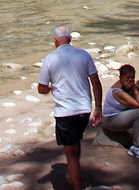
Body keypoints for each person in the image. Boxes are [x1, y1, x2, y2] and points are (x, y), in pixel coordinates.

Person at [38, 26, 103, 190]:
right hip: (83, 110)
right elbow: (96, 82)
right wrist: (98, 108)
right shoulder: (83, 55)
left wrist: (50, 89)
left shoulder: (50, 59)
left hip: (65, 112)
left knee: (71, 155)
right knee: (75, 144)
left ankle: (77, 186)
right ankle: (73, 175)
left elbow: (41, 88)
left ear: (54, 40)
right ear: (71, 38)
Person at [101, 64, 139, 159]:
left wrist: (136, 88)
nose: (130, 80)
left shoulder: (128, 87)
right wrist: (134, 89)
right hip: (111, 120)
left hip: (122, 114)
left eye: (132, 77)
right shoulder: (117, 91)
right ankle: (136, 147)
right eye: (128, 77)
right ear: (120, 78)